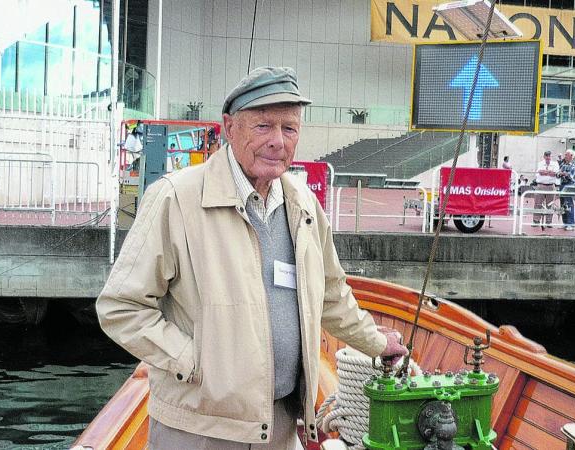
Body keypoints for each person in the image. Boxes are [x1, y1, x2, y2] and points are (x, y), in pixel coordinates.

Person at [96, 66, 407, 449]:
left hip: (279, 425)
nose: (278, 141)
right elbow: (120, 307)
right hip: (199, 429)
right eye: (263, 126)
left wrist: (377, 342)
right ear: (229, 127)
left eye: (289, 128)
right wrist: (192, 362)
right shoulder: (176, 199)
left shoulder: (303, 205)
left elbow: (330, 295)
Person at [533, 150, 559, 229]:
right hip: (540, 185)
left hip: (551, 186)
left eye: (549, 156)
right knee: (538, 204)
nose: (548, 158)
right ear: (544, 156)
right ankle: (536, 221)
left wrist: (546, 172)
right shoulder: (540, 163)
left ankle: (549, 221)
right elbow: (540, 172)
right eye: (546, 156)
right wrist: (549, 172)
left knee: (550, 204)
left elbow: (555, 173)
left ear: (551, 156)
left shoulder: (555, 164)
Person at [558, 149, 575, 231]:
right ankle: (565, 222)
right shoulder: (563, 164)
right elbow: (557, 174)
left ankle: (571, 223)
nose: (565, 156)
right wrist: (562, 174)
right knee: (563, 204)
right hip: (562, 185)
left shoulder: (574, 165)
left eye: (566, 154)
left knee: (569, 204)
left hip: (570, 185)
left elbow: (571, 176)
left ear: (571, 156)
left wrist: (562, 174)